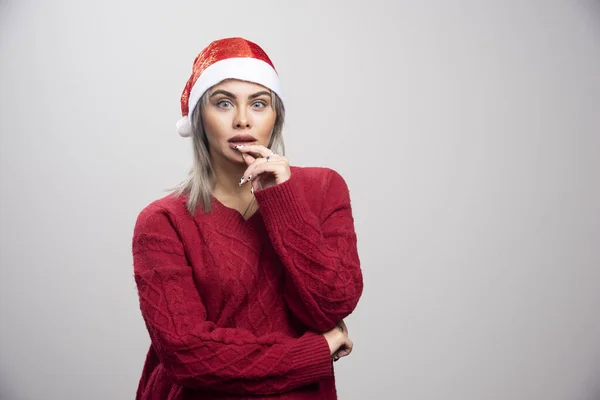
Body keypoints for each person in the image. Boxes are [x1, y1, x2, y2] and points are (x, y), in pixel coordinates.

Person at [131, 37, 363, 400]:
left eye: (258, 103)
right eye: (223, 103)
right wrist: (314, 352)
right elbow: (187, 355)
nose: (242, 119)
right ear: (198, 118)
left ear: (276, 116)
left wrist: (281, 200)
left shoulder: (323, 189)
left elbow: (329, 305)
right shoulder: (163, 221)